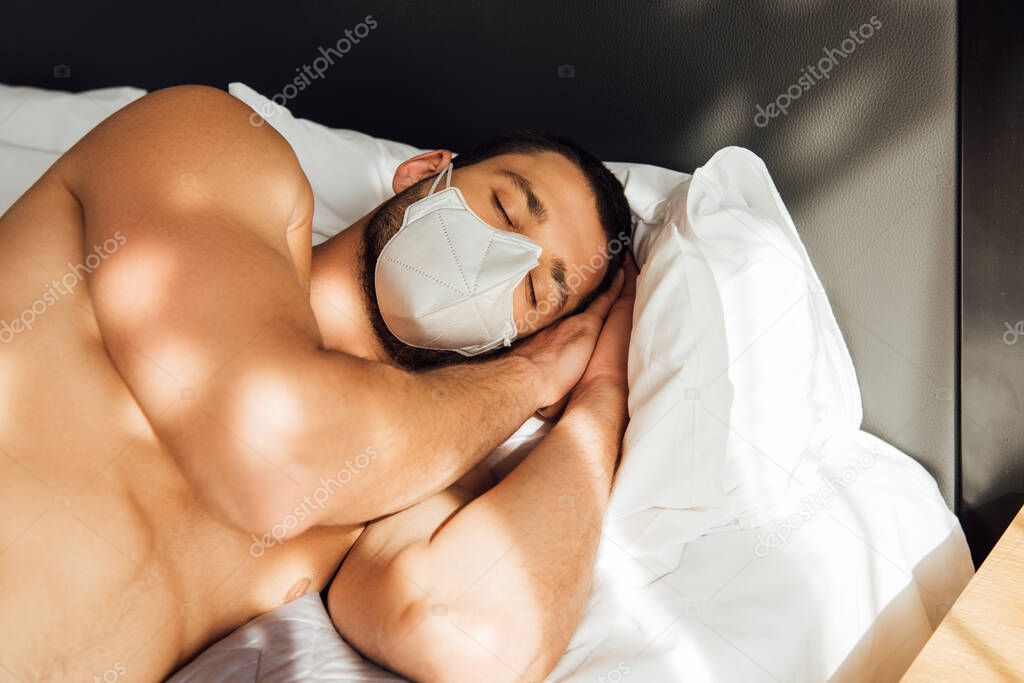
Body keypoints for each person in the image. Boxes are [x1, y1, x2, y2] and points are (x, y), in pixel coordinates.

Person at [0, 85, 635, 683]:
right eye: (504, 208)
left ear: (518, 339)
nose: (498, 260)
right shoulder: (215, 145)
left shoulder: (401, 480)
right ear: (423, 173)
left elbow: (475, 636)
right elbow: (274, 453)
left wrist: (596, 396)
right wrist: (529, 374)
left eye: (534, 291)